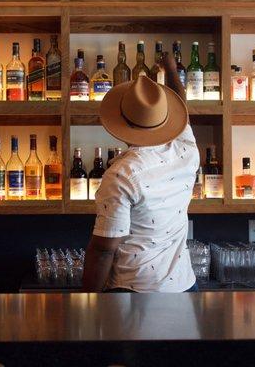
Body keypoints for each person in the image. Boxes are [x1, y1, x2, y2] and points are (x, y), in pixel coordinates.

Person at [81, 54, 200, 293]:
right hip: (184, 286)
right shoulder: (186, 149)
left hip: (135, 292)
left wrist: (87, 304)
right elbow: (183, 106)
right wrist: (170, 68)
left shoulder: (121, 174)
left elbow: (104, 249)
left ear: (121, 126)